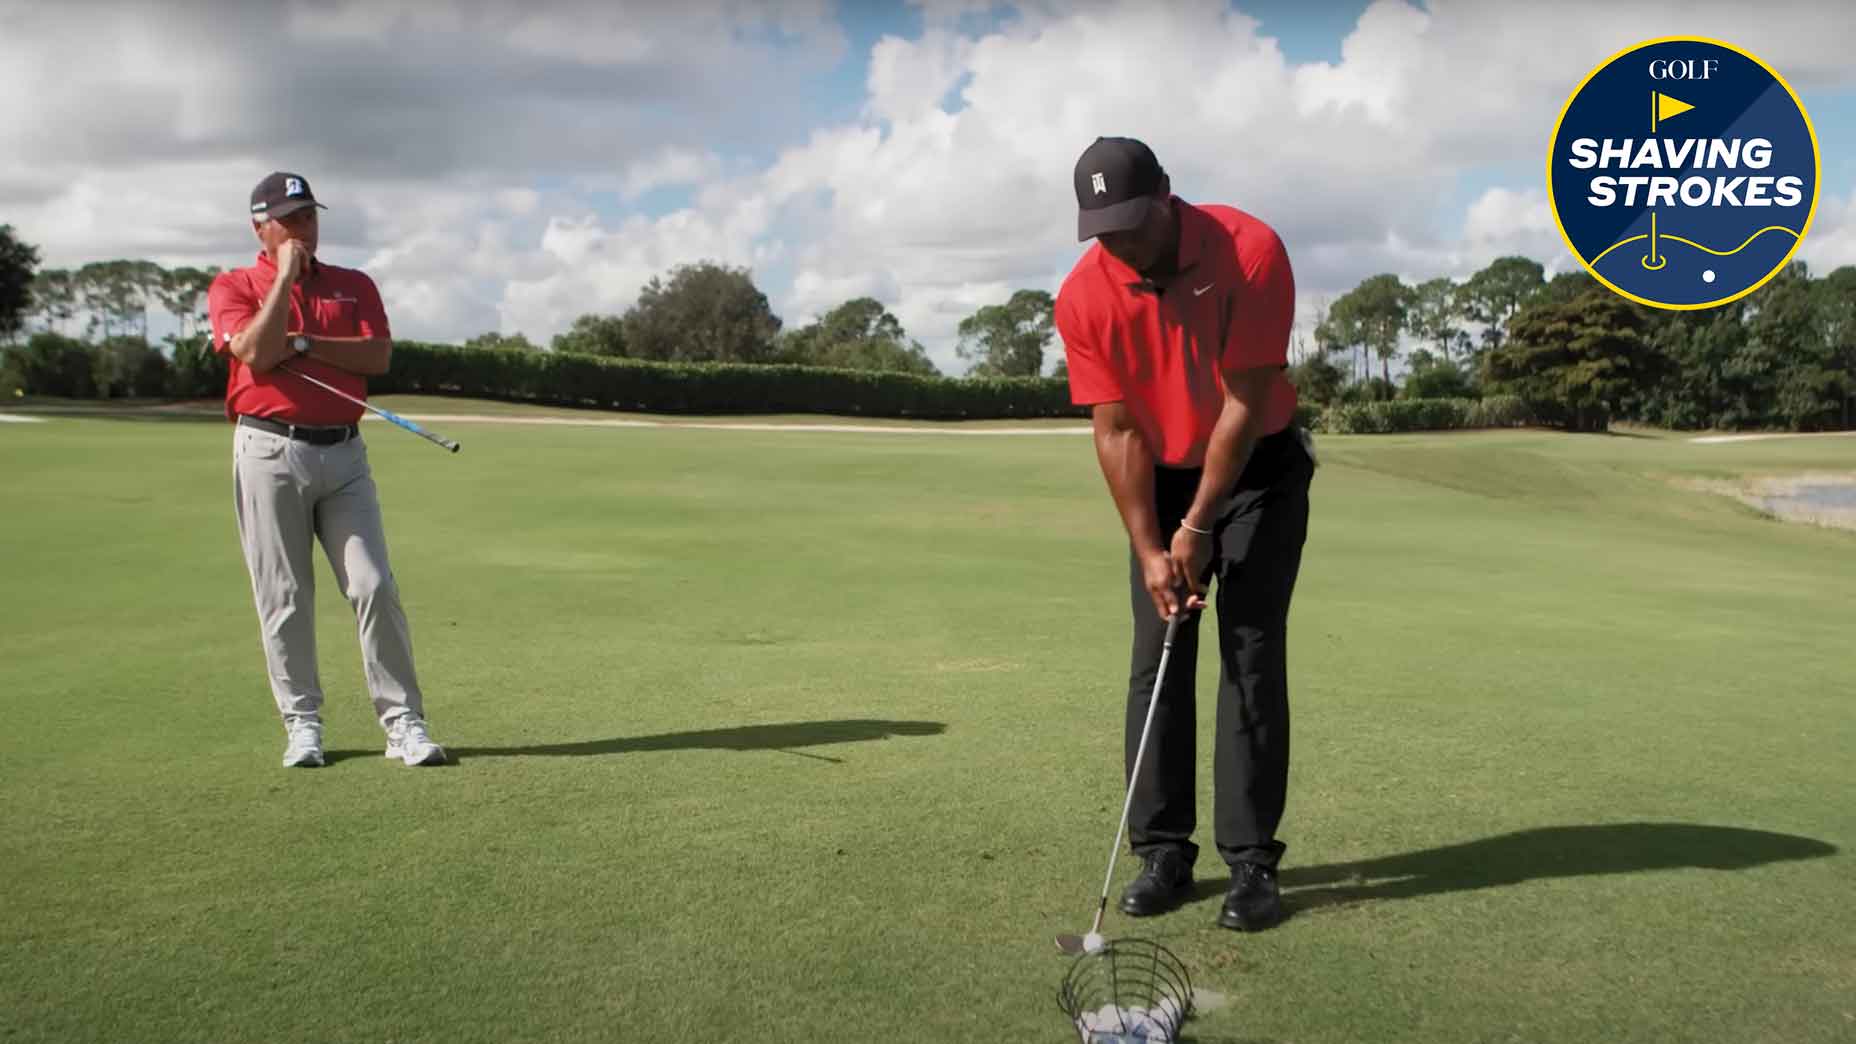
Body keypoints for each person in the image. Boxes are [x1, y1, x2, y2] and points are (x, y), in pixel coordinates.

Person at [1055, 137, 1314, 931]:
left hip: (1258, 467)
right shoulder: (1083, 296)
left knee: (1250, 653)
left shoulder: (1250, 250)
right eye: (1104, 230)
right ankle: (1163, 851)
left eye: (1133, 222)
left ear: (1168, 193)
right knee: (1157, 656)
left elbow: (1242, 401)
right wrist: (1149, 547)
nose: (1122, 244)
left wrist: (1199, 525)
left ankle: (1250, 866)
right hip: (1161, 471)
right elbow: (1118, 428)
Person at [206, 171, 445, 768]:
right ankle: (303, 724)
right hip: (267, 452)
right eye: (291, 219)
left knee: (373, 584)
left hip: (344, 453)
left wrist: (306, 343)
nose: (304, 229)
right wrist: (284, 278)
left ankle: (403, 723)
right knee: (284, 596)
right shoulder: (233, 285)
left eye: (310, 215)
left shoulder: (353, 284)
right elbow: (257, 352)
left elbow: (378, 354)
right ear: (260, 227)